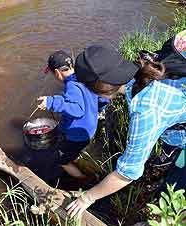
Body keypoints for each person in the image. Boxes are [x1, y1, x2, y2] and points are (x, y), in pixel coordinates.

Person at [65, 45, 186, 218]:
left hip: (182, 137)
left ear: (102, 90)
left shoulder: (145, 110)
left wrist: (87, 198)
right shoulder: (148, 64)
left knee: (174, 191)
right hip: (176, 128)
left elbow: (127, 173)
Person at [37, 50, 109, 180]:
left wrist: (51, 102)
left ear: (58, 73)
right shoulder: (85, 77)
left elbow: (77, 109)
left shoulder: (72, 86)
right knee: (72, 150)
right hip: (90, 127)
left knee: (61, 161)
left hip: (77, 135)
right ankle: (76, 157)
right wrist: (97, 111)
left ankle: (83, 180)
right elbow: (103, 98)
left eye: (53, 73)